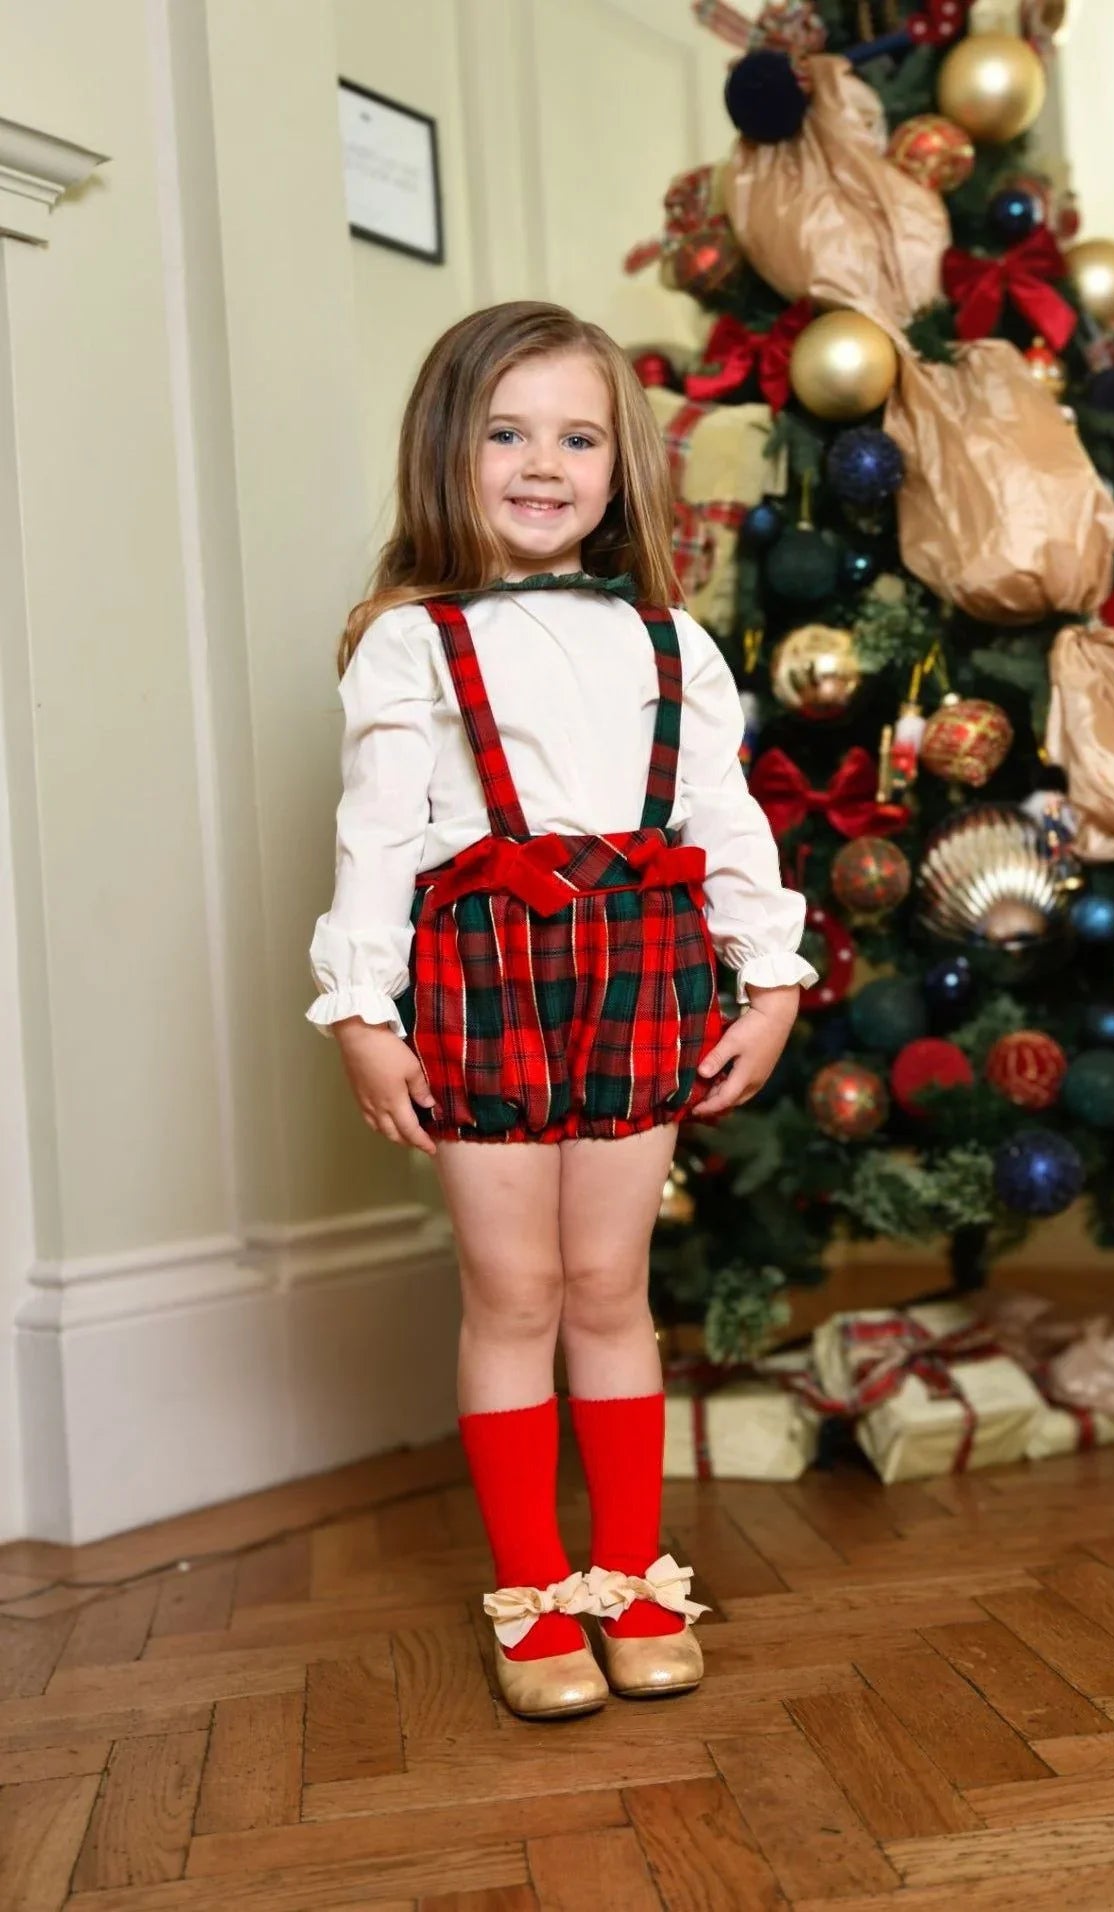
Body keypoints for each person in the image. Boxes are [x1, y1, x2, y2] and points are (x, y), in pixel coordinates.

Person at [308, 301, 816, 1720]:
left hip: (646, 970)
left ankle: (635, 1573)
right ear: (447, 452)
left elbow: (726, 819)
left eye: (579, 434)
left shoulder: (674, 642)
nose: (545, 462)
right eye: (508, 431)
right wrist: (363, 1006)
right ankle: (534, 1594)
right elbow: (377, 839)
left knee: (607, 1285)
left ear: (622, 465)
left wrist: (767, 977)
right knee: (512, 1289)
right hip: (480, 975)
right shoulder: (411, 644)